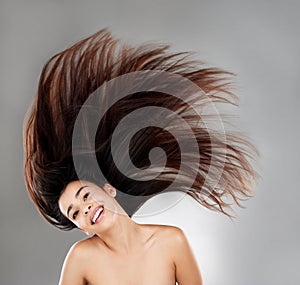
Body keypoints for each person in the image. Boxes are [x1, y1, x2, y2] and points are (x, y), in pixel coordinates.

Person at [23, 28, 259, 284]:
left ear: (108, 189)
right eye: (75, 212)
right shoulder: (81, 258)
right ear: (82, 228)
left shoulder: (172, 241)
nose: (86, 208)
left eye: (86, 196)